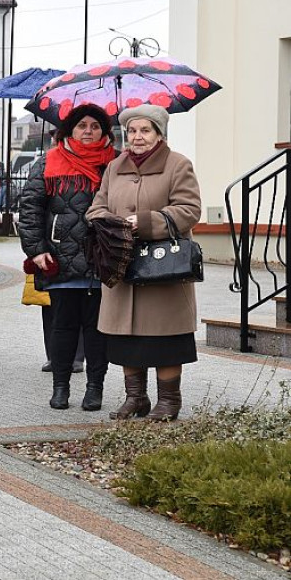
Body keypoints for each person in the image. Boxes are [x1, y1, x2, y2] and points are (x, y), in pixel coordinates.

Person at [87, 104, 202, 421]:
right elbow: (95, 209)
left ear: (159, 133)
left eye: (145, 130)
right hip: (122, 265)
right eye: (132, 131)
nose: (137, 137)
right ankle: (136, 398)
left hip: (163, 269)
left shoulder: (178, 165)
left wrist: (148, 221)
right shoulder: (114, 168)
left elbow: (190, 209)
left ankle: (169, 402)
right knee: (126, 340)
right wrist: (115, 224)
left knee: (166, 340)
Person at [18, 104, 116, 411]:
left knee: (97, 330)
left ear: (104, 131)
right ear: (69, 130)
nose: (88, 131)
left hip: (102, 260)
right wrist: (37, 250)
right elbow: (30, 210)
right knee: (62, 329)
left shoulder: (115, 164)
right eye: (82, 126)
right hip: (60, 258)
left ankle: (94, 389)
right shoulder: (47, 162)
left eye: (95, 126)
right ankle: (60, 388)